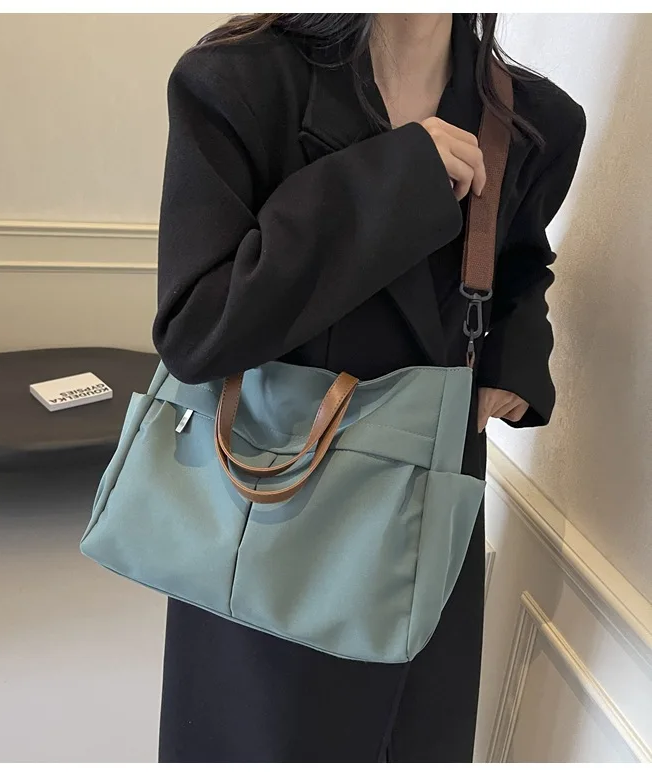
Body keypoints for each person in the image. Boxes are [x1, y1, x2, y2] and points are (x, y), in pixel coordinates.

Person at [152, 12, 585, 763]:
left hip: (425, 510)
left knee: (410, 739)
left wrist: (512, 361)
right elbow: (198, 326)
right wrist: (397, 178)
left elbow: (519, 263)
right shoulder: (240, 80)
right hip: (266, 507)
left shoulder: (535, 120)